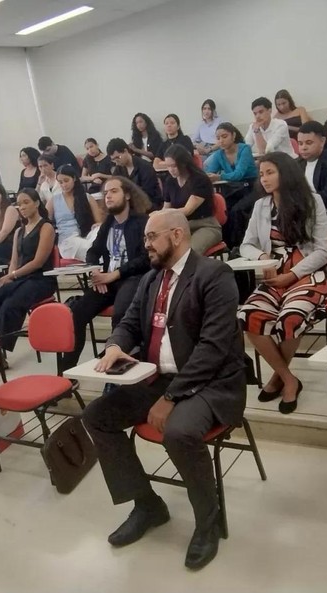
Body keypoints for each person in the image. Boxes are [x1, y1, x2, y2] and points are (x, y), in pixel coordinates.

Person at [82, 209, 246, 571]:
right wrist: (114, 345)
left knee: (179, 431)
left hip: (209, 383)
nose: (146, 245)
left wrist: (171, 398)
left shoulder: (214, 275)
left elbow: (213, 348)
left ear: (176, 235)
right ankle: (147, 505)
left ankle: (208, 522)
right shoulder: (151, 279)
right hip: (160, 378)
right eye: (144, 239)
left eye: (151, 237)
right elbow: (128, 324)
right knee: (96, 416)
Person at [238, 152, 327, 415]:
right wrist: (262, 257)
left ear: (286, 172)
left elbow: (324, 251)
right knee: (248, 315)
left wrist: (292, 275)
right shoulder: (261, 206)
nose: (264, 178)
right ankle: (288, 378)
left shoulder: (312, 201)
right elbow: (245, 244)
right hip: (273, 274)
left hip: (308, 273)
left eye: (270, 172)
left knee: (290, 317)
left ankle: (278, 379)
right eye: (261, 174)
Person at [60, 176, 151, 372]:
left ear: (127, 195)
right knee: (76, 311)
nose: (108, 196)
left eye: (114, 191)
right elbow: (93, 251)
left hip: (132, 277)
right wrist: (95, 269)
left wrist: (115, 274)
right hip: (108, 279)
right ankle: (65, 376)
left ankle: (114, 363)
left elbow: (145, 259)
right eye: (106, 192)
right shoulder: (108, 223)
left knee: (121, 312)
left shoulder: (142, 221)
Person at [0, 189, 56, 376]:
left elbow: (38, 262)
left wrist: (12, 276)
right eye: (19, 203)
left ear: (36, 203)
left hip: (40, 279)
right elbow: (14, 261)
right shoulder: (19, 231)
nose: (22, 207)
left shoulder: (46, 227)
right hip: (20, 278)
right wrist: (8, 278)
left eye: (26, 202)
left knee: (10, 306)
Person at [203, 122, 258, 246]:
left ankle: (241, 244)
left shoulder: (245, 149)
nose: (221, 141)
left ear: (233, 136)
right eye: (218, 138)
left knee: (238, 210)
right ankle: (228, 244)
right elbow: (209, 172)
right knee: (223, 210)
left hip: (252, 187)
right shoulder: (218, 155)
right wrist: (208, 176)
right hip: (233, 189)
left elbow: (239, 174)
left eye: (224, 136)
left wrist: (219, 176)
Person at [162, 144, 222, 255]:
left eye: (174, 166)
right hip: (180, 227)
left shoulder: (200, 179)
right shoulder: (170, 181)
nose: (171, 170)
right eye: (168, 166)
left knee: (189, 253)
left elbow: (187, 210)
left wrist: (161, 215)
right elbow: (166, 207)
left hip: (205, 226)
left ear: (184, 163)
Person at [47, 164, 104, 261]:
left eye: (66, 181)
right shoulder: (53, 201)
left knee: (99, 231)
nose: (64, 185)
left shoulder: (87, 198)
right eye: (60, 182)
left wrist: (98, 226)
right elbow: (45, 223)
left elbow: (99, 222)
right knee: (92, 248)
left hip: (86, 235)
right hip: (68, 241)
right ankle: (104, 261)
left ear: (74, 178)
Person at [108, 137, 163, 208]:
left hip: (148, 204)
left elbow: (147, 193)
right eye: (113, 160)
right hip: (129, 204)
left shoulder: (145, 167)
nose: (116, 162)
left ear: (125, 151)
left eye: (118, 157)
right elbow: (114, 185)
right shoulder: (119, 169)